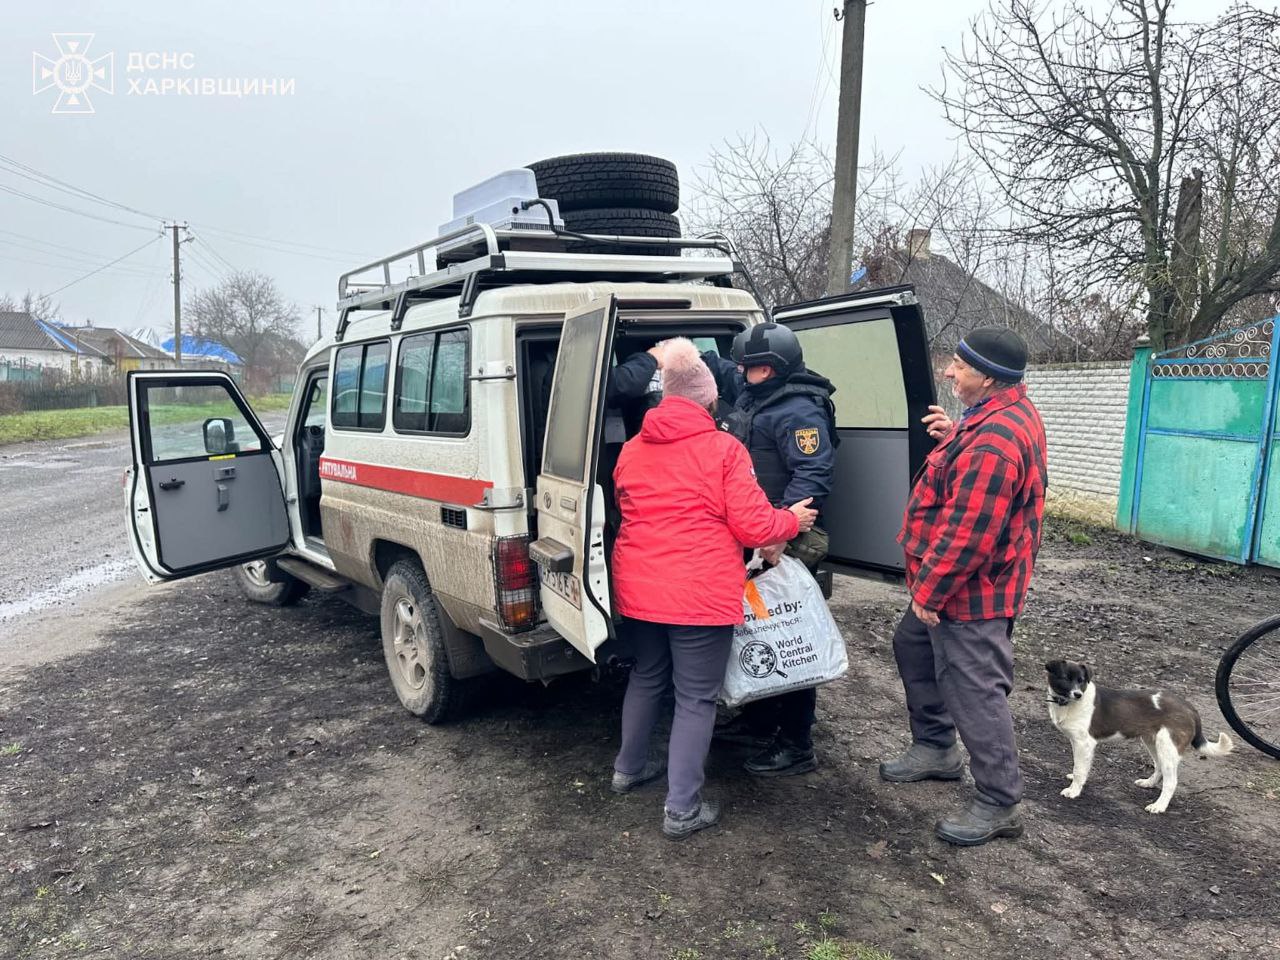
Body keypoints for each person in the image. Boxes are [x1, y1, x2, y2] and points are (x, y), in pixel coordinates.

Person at [609, 338, 818, 840]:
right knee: (696, 699)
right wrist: (791, 518)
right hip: (698, 595)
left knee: (647, 677)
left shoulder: (631, 450)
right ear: (709, 402)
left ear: (664, 399)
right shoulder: (724, 450)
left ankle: (627, 768)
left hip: (638, 588)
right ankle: (681, 810)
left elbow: (626, 507)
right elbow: (752, 526)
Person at [879, 325, 1047, 847]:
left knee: (974, 689)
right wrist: (955, 436)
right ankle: (936, 749)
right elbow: (976, 473)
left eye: (959, 364)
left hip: (970, 590)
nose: (949, 371)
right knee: (912, 645)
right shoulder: (990, 421)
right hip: (962, 582)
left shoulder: (994, 442)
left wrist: (930, 591)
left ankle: (1000, 800)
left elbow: (971, 532)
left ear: (989, 379)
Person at [702, 323, 837, 777]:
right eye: (743, 366)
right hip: (754, 533)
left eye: (755, 368)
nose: (744, 374)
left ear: (777, 368)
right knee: (758, 631)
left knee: (789, 633)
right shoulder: (756, 395)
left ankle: (797, 741)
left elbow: (813, 476)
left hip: (785, 540)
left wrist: (780, 534)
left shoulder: (799, 411)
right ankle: (760, 720)